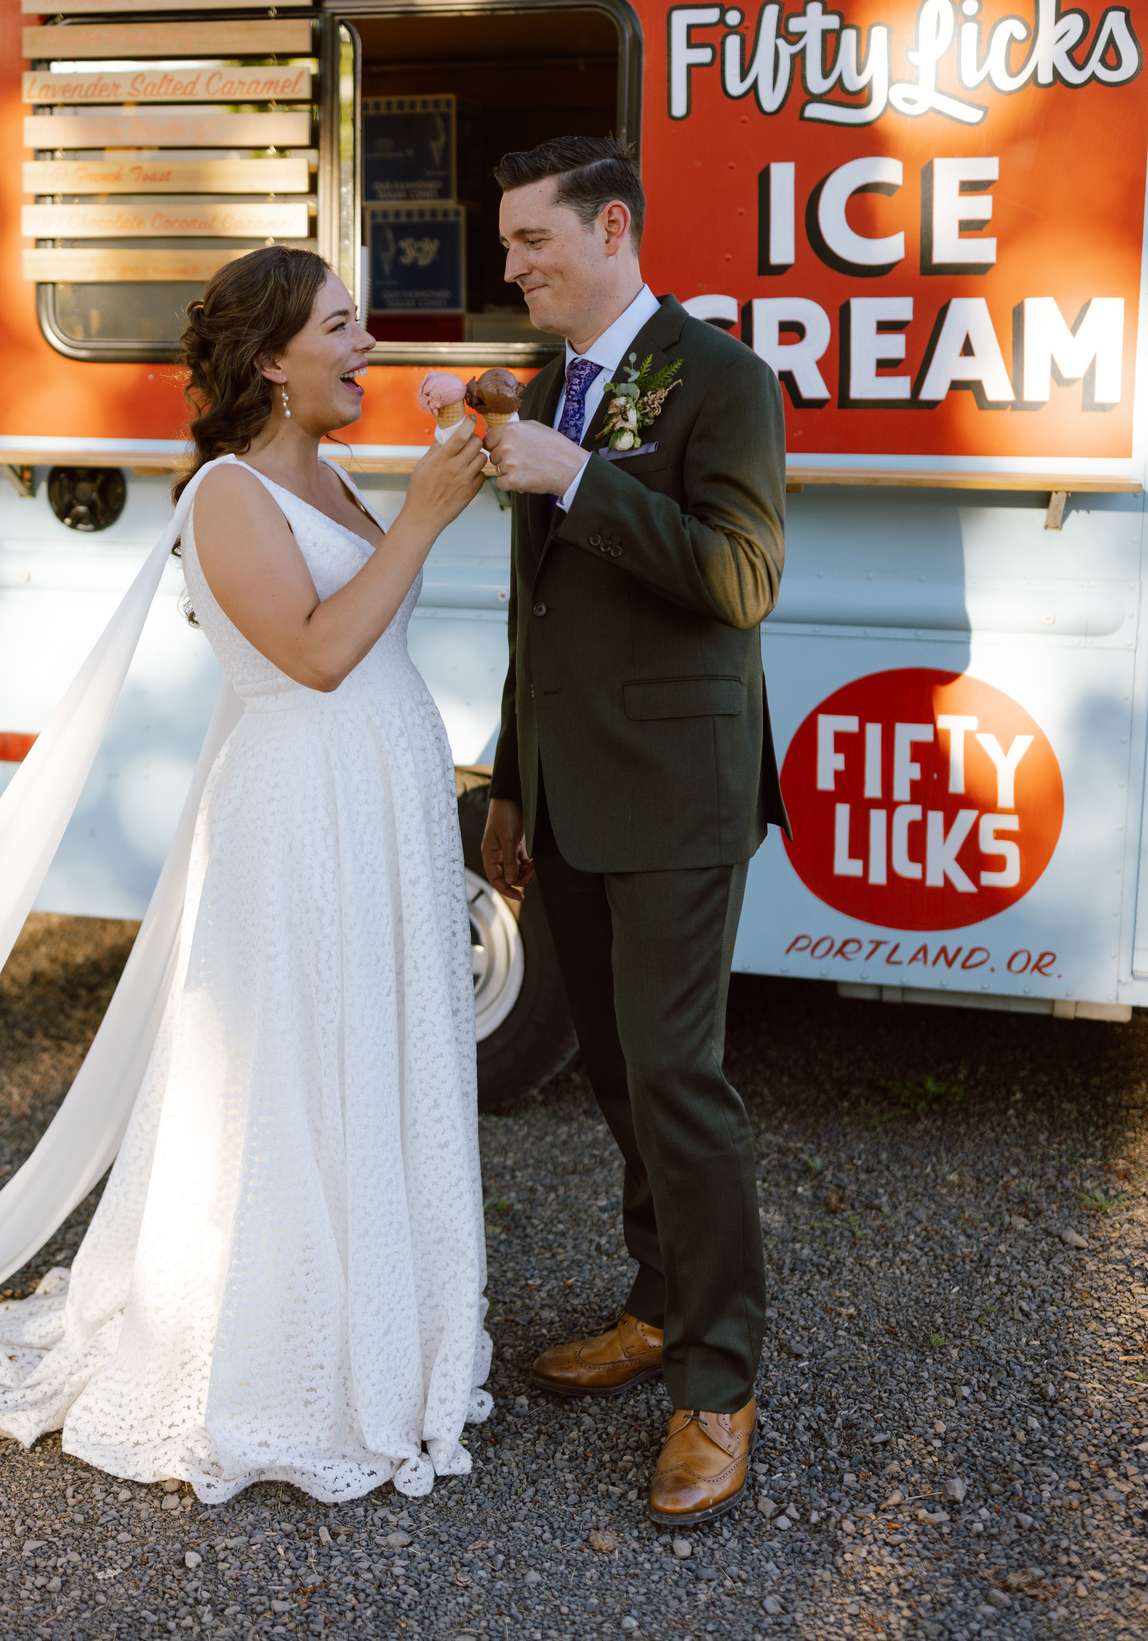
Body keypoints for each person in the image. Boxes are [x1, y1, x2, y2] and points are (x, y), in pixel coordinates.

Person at [0, 246, 494, 1504]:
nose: (368, 348)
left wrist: (409, 500)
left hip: (380, 797)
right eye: (343, 328)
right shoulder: (227, 495)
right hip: (302, 810)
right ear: (270, 361)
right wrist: (422, 512)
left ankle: (379, 1330)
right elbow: (311, 654)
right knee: (295, 1066)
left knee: (377, 1051)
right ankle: (270, 1358)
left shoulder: (337, 475)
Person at [481, 136, 789, 1526]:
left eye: (533, 240)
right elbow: (534, 615)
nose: (513, 265)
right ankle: (659, 1305)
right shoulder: (549, 388)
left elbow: (738, 577)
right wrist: (507, 783)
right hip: (569, 793)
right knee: (615, 1073)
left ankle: (718, 1383)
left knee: (678, 1080)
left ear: (612, 227)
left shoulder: (723, 380)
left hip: (678, 795)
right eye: (506, 244)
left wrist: (583, 481)